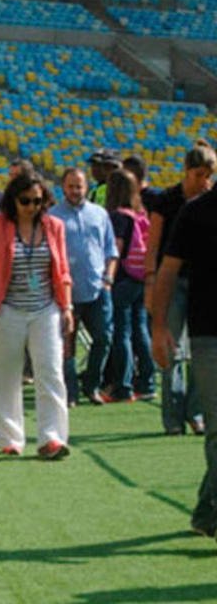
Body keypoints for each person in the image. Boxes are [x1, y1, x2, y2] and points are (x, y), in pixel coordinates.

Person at [0, 172, 73, 459]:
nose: (31, 206)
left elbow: (63, 270)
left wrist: (66, 307)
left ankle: (52, 438)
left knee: (51, 372)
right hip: (7, 310)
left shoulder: (54, 226)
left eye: (37, 201)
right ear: (13, 199)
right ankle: (9, 438)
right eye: (25, 200)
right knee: (5, 375)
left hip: (46, 309)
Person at [151, 179, 217, 542]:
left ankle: (208, 511)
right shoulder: (197, 212)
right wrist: (159, 326)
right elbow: (168, 269)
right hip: (209, 335)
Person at [145, 141, 214, 435]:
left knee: (203, 352)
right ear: (186, 171)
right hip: (170, 282)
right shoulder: (168, 201)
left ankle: (196, 411)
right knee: (171, 351)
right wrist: (150, 280)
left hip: (201, 286)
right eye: (199, 174)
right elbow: (154, 244)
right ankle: (172, 417)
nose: (204, 181)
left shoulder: (210, 204)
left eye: (209, 175)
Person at [50, 167, 118, 407]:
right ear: (63, 187)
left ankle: (92, 385)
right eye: (70, 186)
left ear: (86, 187)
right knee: (66, 345)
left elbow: (111, 250)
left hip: (97, 289)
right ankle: (70, 392)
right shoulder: (52, 216)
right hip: (66, 291)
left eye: (79, 186)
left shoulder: (100, 214)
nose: (75, 191)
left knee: (104, 338)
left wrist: (108, 280)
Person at [103, 169, 154, 403]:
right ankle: (147, 381)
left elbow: (116, 249)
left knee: (121, 332)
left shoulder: (117, 217)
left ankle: (122, 385)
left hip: (123, 278)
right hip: (140, 278)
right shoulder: (139, 215)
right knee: (141, 330)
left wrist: (107, 275)